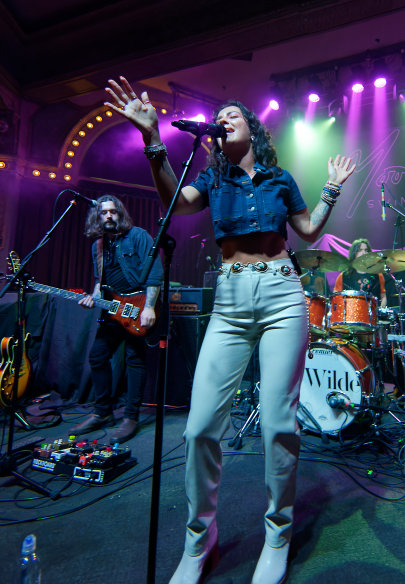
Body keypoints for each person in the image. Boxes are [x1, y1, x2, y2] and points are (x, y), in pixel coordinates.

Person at [103, 77, 356, 584]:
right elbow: (176, 205)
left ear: (252, 130)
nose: (223, 120)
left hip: (283, 293)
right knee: (198, 428)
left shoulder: (279, 179)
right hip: (231, 299)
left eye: (233, 114)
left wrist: (332, 189)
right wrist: (154, 142)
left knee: (279, 423)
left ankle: (277, 535)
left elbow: (307, 232)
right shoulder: (211, 179)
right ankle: (199, 542)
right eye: (219, 117)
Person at [70, 195, 162, 444]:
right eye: (103, 213)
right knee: (97, 357)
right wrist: (93, 296)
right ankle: (102, 413)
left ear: (120, 214)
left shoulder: (139, 236)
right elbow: (101, 281)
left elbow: (154, 274)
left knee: (135, 360)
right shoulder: (97, 246)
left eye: (113, 212)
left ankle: (131, 417)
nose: (108, 216)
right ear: (97, 216)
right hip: (111, 311)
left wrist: (150, 307)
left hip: (138, 306)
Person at [333, 238, 387, 308]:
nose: (364, 253)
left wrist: (380, 311)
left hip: (372, 316)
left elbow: (383, 297)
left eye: (366, 250)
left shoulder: (378, 275)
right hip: (351, 315)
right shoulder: (343, 276)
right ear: (354, 254)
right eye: (360, 250)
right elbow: (336, 297)